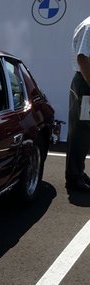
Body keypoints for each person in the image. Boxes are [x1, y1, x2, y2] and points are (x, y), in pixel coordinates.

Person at [66, 16, 90, 192]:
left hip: (85, 82)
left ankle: (78, 172)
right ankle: (75, 177)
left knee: (84, 130)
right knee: (81, 130)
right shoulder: (89, 26)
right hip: (85, 83)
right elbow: (83, 58)